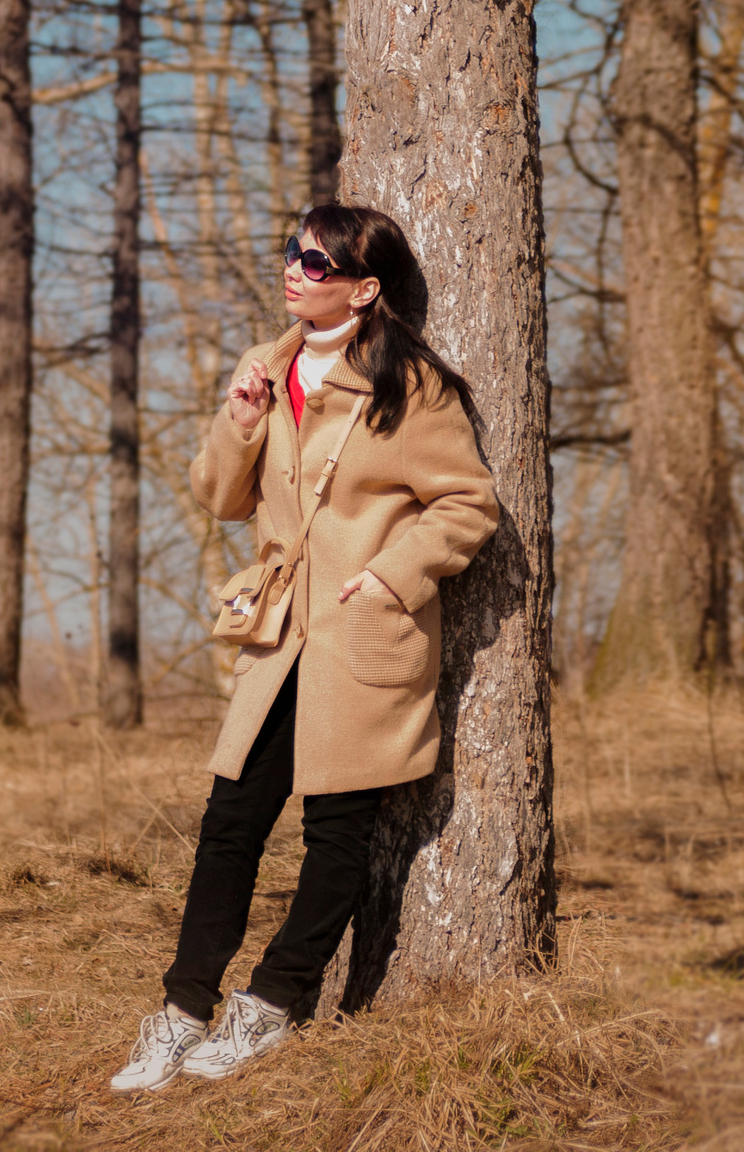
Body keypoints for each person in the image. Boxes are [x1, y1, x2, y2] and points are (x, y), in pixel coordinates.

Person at [109, 203, 500, 1091]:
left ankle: (273, 1001)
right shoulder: (266, 365)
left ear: (364, 289)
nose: (296, 268)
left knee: (336, 834)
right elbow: (222, 498)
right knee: (229, 823)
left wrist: (393, 575)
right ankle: (180, 1011)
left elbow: (468, 502)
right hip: (278, 633)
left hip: (363, 634)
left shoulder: (412, 387)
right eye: (294, 252)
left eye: (319, 262)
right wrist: (241, 420)